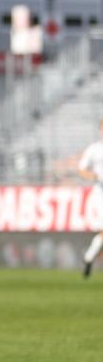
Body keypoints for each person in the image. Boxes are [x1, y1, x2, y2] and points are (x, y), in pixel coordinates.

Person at [78, 118, 103, 278]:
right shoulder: (94, 149)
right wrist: (94, 175)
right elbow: (82, 169)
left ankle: (88, 258)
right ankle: (88, 259)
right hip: (100, 194)